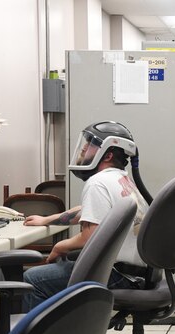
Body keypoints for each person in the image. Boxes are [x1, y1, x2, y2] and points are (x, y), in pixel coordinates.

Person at [22, 121, 149, 310]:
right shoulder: (120, 179)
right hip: (133, 273)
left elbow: (90, 237)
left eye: (90, 144)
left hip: (116, 275)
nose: (83, 149)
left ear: (107, 154)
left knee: (33, 278)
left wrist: (59, 246)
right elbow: (88, 211)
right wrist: (47, 220)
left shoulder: (97, 182)